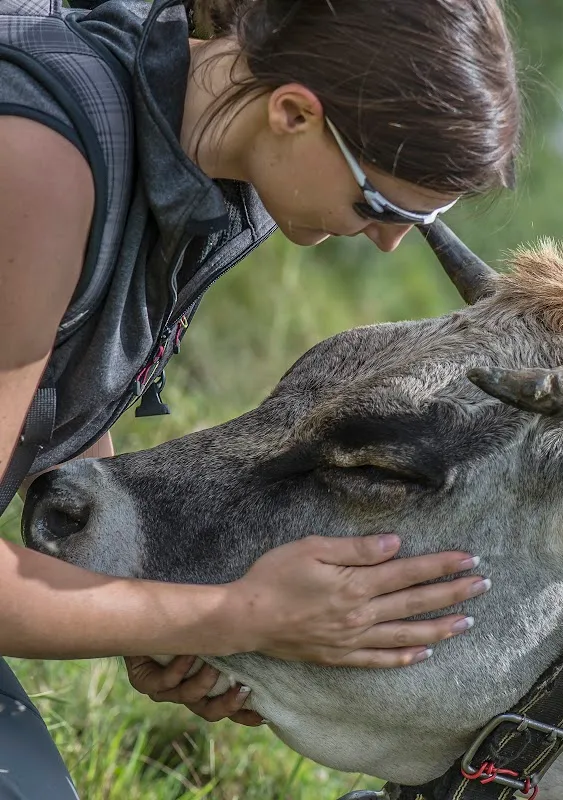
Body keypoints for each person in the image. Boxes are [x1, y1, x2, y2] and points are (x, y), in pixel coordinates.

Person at [0, 0, 520, 795]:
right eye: (381, 205)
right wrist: (237, 615)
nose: (388, 242)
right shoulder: (42, 166)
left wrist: (147, 594)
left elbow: (55, 398)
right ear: (292, 111)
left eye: (426, 220)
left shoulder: (211, 161)